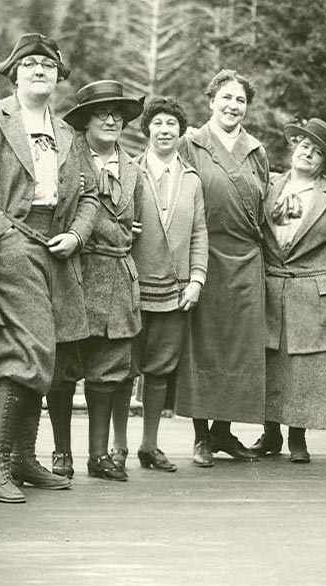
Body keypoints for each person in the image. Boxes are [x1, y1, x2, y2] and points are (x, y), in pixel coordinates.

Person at [0, 33, 99, 503]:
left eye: (48, 65)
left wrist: (76, 234)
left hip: (54, 248)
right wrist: (3, 232)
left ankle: (23, 458)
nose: (39, 71)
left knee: (46, 353)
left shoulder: (69, 134)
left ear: (58, 77)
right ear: (14, 73)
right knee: (31, 348)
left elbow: (90, 195)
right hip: (5, 243)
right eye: (30, 64)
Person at [249, 118, 326, 463]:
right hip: (270, 284)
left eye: (317, 153)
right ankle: (270, 434)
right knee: (270, 360)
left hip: (310, 290)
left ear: (324, 164)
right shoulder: (268, 186)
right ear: (294, 147)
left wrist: (323, 265)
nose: (308, 154)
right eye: (304, 147)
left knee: (302, 367)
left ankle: (297, 438)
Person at [46, 80, 144, 482]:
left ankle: (99, 455)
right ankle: (61, 452)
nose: (111, 120)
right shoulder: (67, 160)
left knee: (109, 371)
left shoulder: (133, 168)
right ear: (85, 121)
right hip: (75, 271)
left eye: (118, 114)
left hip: (117, 278)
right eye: (102, 113)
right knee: (64, 369)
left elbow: (133, 223)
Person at [175, 69, 269, 467]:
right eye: (226, 98)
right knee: (204, 343)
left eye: (240, 100)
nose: (233, 106)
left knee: (241, 347)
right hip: (204, 254)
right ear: (211, 99)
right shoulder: (190, 143)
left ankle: (224, 432)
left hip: (247, 258)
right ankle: (200, 437)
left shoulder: (256, 151)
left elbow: (263, 204)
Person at [130, 96, 208, 472]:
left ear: (181, 132)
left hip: (175, 289)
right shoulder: (131, 172)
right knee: (124, 367)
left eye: (172, 125)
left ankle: (149, 445)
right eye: (158, 123)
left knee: (160, 368)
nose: (164, 130)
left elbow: (199, 233)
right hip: (132, 285)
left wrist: (196, 279)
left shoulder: (191, 179)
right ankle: (116, 449)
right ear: (147, 129)